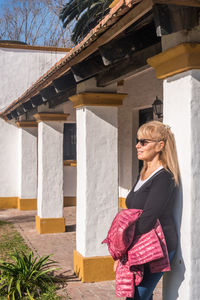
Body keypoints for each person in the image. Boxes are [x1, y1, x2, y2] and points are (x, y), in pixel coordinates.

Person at [115, 120, 180, 300]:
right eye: (138, 141)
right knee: (140, 294)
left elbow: (148, 218)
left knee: (137, 296)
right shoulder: (143, 174)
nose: (138, 145)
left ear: (160, 146)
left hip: (158, 246)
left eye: (143, 142)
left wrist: (123, 252)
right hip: (140, 244)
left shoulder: (164, 177)